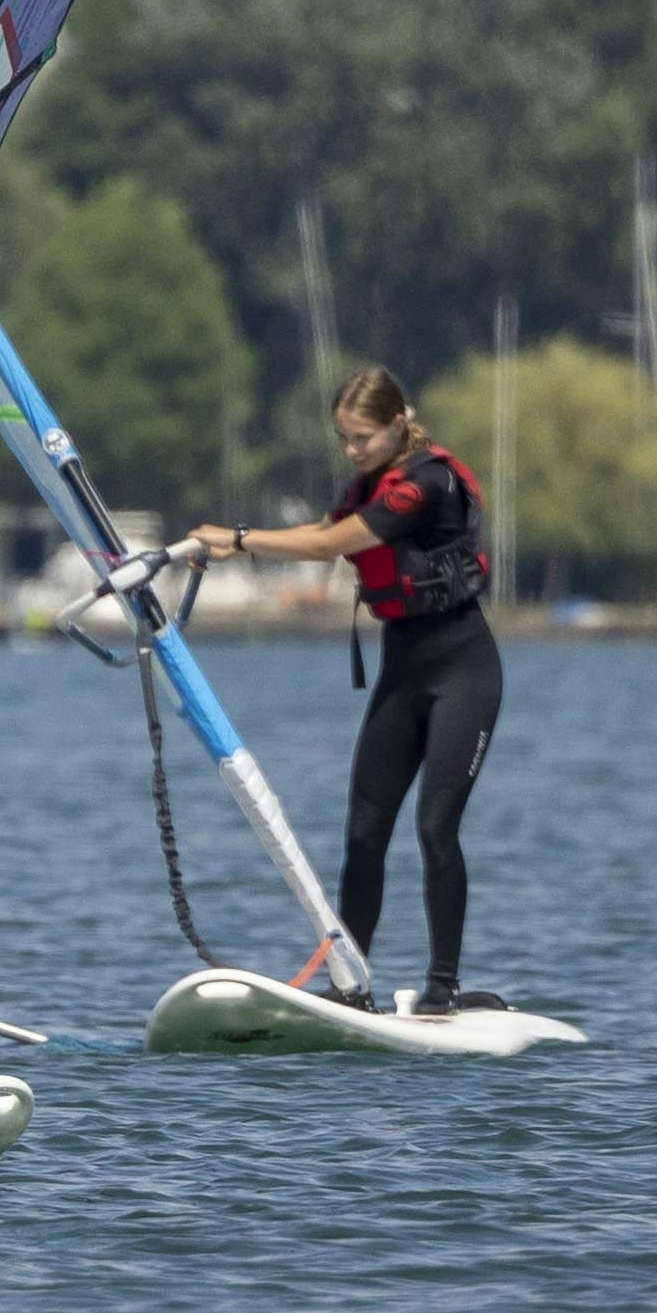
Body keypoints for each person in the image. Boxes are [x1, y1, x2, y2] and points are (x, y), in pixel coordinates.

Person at [160, 362, 501, 1011]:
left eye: (361, 438)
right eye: (343, 438)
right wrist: (235, 546)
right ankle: (353, 985)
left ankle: (442, 988)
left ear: (398, 424)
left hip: (465, 672)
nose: (351, 451)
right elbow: (320, 531)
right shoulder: (371, 484)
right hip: (404, 672)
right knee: (364, 832)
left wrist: (240, 538)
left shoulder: (424, 485)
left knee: (434, 828)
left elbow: (334, 545)